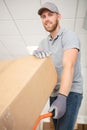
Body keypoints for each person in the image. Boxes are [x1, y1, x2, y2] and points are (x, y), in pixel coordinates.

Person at [33, 2, 83, 130]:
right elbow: (39, 69)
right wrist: (34, 57)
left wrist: (62, 98)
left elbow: (69, 66)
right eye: (43, 16)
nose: (47, 19)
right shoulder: (43, 43)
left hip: (70, 92)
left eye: (50, 15)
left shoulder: (69, 36)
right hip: (54, 92)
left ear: (58, 16)